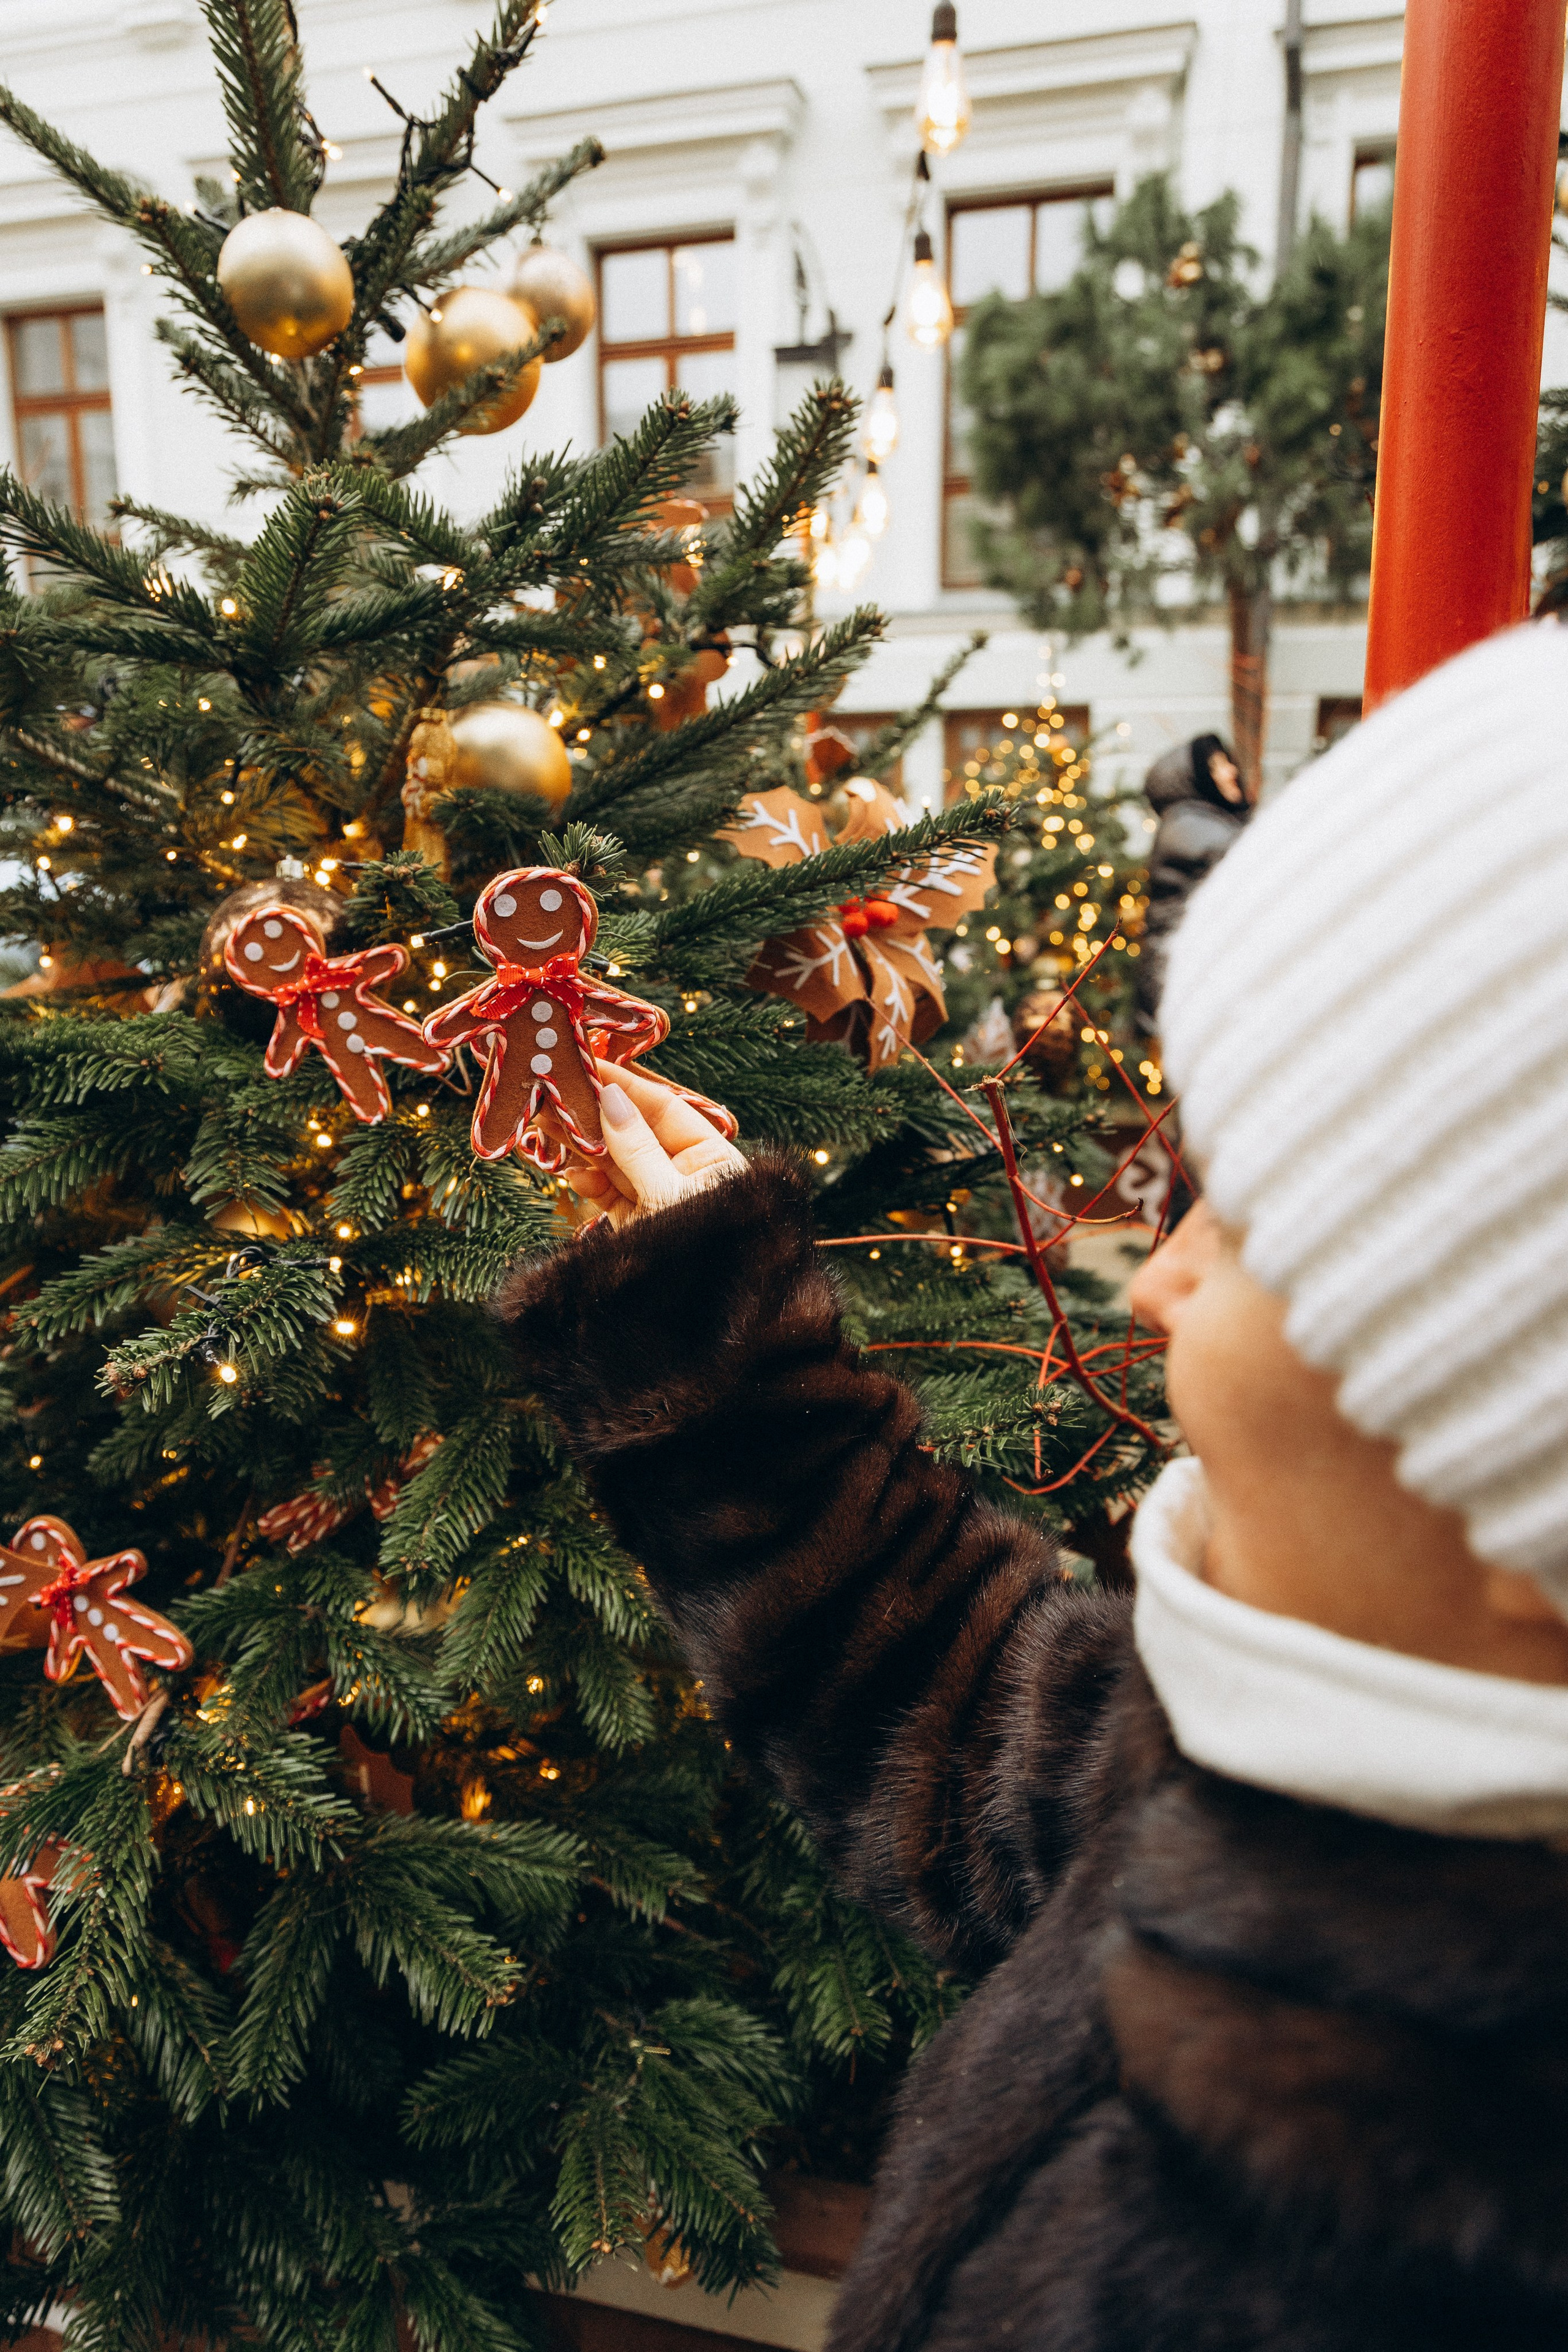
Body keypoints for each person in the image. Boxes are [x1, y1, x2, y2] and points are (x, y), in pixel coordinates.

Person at [500, 620, 1568, 2352]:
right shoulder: (1338, 1740)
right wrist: (706, 1348)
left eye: (1255, 1227)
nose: (1158, 1279)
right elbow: (970, 1729)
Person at [1136, 730, 1251, 1036]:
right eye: (1216, 766)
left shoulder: (1204, 821)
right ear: (1194, 779)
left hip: (1187, 984)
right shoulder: (1190, 826)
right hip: (1186, 987)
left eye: (1227, 762)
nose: (1231, 771)